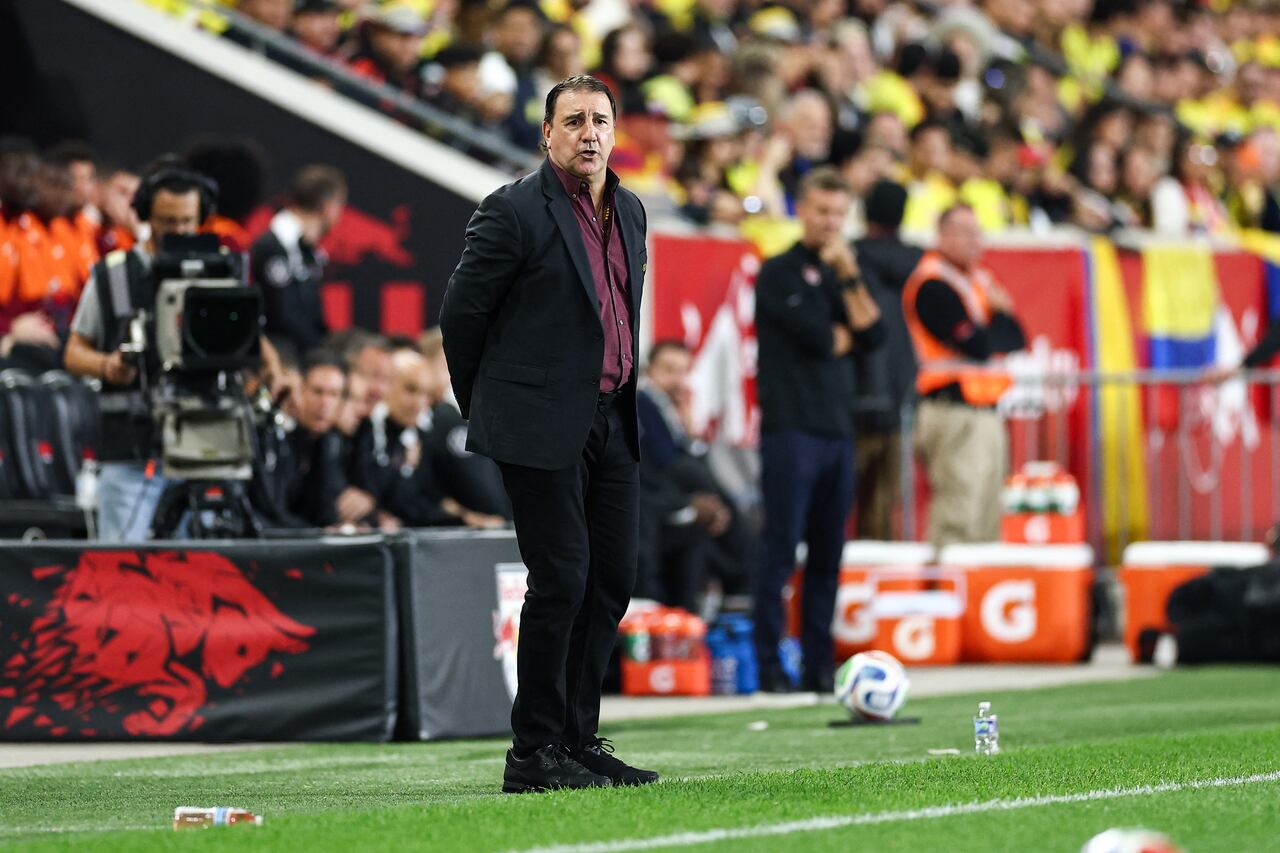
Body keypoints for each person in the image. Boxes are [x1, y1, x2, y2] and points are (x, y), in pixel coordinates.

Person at [440, 75, 658, 793]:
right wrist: (493, 406)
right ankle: (532, 751)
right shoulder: (511, 211)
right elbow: (461, 317)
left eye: (600, 120)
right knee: (561, 575)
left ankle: (578, 738)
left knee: (610, 581)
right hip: (537, 423)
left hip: (613, 418)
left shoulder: (630, 210)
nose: (588, 133)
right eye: (573, 121)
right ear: (546, 134)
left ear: (615, 131)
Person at [753, 167, 884, 694]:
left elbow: (872, 333)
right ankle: (768, 664)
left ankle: (818, 666)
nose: (831, 222)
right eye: (822, 211)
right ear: (802, 210)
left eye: (839, 213)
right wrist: (845, 329)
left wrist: (848, 280)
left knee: (830, 553)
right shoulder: (778, 272)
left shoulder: (846, 270)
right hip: (791, 428)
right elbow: (821, 339)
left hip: (837, 429)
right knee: (781, 549)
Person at [63, 162, 217, 540]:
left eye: (187, 221)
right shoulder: (113, 274)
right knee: (120, 568)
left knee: (200, 574)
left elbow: (247, 340)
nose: (178, 231)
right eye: (168, 221)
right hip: (130, 448)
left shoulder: (217, 271)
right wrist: (106, 364)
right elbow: (72, 352)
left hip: (202, 445)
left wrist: (273, 369)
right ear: (146, 215)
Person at [903, 203, 1025, 548]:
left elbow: (1016, 338)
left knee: (988, 516)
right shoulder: (932, 284)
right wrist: (999, 319)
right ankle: (944, 592)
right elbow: (979, 344)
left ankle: (977, 592)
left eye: (977, 232)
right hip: (953, 411)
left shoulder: (978, 280)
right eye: (964, 232)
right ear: (942, 235)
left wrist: (997, 325)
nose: (975, 241)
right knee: (959, 511)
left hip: (985, 411)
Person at [636, 340, 753, 614]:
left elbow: (690, 454)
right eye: (668, 370)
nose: (676, 379)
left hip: (677, 498)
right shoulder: (644, 402)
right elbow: (667, 462)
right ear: (651, 369)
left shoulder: (671, 408)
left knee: (720, 531)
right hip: (656, 500)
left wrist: (688, 428)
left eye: (682, 371)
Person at [851, 180, 921, 540]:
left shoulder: (848, 259)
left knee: (835, 505)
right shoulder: (921, 265)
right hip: (902, 398)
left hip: (852, 397)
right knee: (882, 507)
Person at [250, 164, 346, 356]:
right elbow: (282, 316)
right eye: (340, 205)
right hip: (282, 356)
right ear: (328, 207)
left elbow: (313, 317)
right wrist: (321, 351)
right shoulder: (273, 245)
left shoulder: (309, 251)